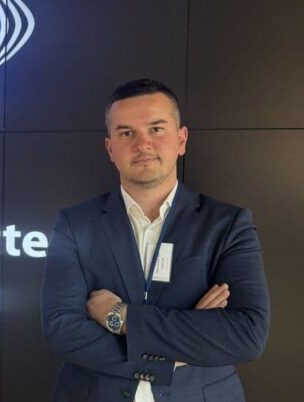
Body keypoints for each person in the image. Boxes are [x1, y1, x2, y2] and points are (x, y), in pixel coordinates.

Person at [41, 79, 269, 402]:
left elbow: (247, 335)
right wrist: (178, 350)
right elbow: (62, 330)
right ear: (110, 148)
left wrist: (120, 317)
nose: (143, 144)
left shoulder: (228, 225)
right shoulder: (75, 224)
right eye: (126, 133)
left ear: (181, 139)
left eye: (156, 129)